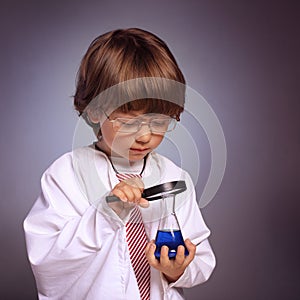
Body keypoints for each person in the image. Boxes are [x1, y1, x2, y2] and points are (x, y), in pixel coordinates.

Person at [24, 28, 216, 300]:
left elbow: (202, 258)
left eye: (159, 121)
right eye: (129, 121)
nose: (146, 136)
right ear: (94, 111)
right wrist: (106, 213)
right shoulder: (66, 175)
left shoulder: (174, 177)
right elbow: (47, 262)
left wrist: (177, 270)